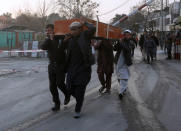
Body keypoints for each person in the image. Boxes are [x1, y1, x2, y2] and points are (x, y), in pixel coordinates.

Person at [64, 19, 96, 118]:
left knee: (80, 90)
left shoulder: (85, 36)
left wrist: (84, 22)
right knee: (69, 88)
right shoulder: (69, 39)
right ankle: (77, 99)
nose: (72, 31)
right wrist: (64, 42)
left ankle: (78, 109)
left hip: (83, 69)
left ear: (80, 29)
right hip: (72, 69)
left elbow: (93, 28)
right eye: (71, 29)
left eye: (75, 29)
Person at [40, 24, 70, 111]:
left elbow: (59, 51)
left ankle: (67, 94)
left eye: (50, 30)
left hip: (60, 65)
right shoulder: (48, 40)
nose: (48, 32)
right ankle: (57, 103)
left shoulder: (60, 39)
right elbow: (43, 47)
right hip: (51, 65)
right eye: (47, 30)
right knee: (52, 86)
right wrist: (50, 39)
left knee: (60, 83)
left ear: (54, 30)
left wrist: (54, 40)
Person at [114, 30, 132, 100]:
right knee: (119, 76)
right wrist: (118, 42)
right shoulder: (121, 41)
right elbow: (115, 48)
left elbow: (127, 49)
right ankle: (123, 88)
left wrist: (121, 43)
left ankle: (121, 92)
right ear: (124, 35)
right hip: (118, 61)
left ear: (130, 35)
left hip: (126, 63)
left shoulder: (131, 42)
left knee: (124, 77)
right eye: (125, 35)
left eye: (128, 35)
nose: (127, 36)